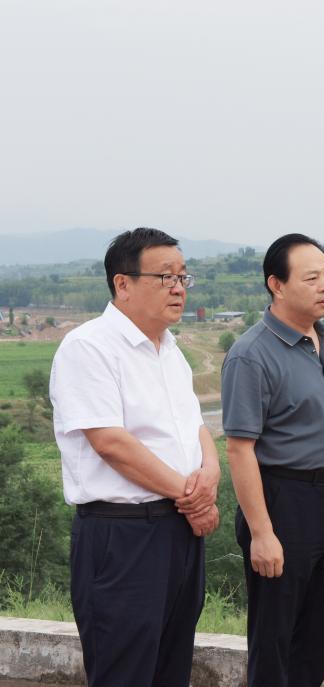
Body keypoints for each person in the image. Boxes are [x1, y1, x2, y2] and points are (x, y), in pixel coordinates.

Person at [50, 227, 220, 687]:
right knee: (124, 671)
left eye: (183, 277)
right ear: (122, 284)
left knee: (171, 668)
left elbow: (195, 427)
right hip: (123, 535)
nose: (179, 288)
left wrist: (210, 473)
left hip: (179, 531)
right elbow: (111, 443)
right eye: (165, 277)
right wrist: (193, 498)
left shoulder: (171, 351)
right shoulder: (89, 347)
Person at [222, 233, 324, 687]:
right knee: (276, 638)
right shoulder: (251, 355)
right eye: (311, 278)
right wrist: (262, 533)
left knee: (319, 635)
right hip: (286, 503)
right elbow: (239, 449)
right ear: (277, 285)